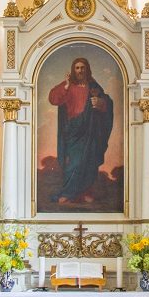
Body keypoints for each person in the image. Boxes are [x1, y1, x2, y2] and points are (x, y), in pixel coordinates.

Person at [48, 56, 114, 204]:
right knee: (74, 162)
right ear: (73, 70)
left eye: (82, 68)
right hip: (73, 129)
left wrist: (101, 103)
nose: (80, 70)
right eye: (77, 68)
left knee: (89, 160)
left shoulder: (93, 86)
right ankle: (68, 192)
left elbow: (107, 102)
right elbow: (53, 99)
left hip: (90, 130)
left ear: (87, 69)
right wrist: (65, 86)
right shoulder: (68, 85)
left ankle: (85, 192)